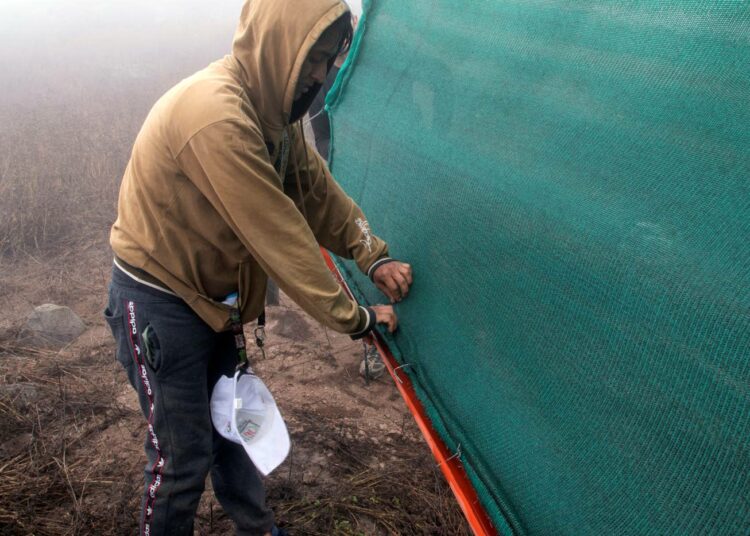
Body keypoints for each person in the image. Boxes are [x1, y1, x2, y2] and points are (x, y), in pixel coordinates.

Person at [103, 0, 413, 535]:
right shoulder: (218, 118)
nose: (319, 75)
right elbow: (280, 234)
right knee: (182, 456)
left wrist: (373, 252)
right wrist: (355, 318)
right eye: (312, 59)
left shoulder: (274, 116)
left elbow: (316, 194)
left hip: (213, 301)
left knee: (232, 427)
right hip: (160, 300)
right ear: (278, 46)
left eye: (327, 60)